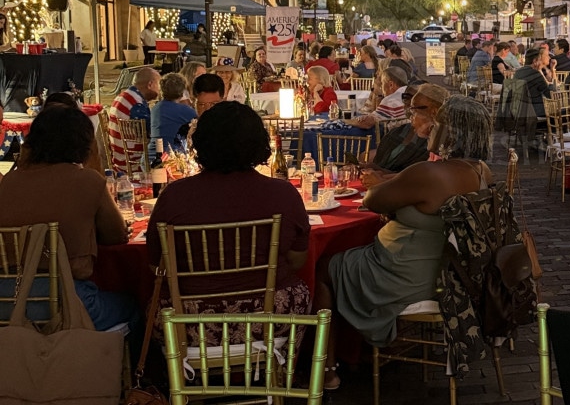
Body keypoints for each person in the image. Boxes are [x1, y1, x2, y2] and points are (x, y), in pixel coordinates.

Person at [315, 96, 493, 389]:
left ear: (449, 132)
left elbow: (373, 200)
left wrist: (384, 181)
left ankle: (327, 368)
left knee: (325, 267)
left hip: (404, 276)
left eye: (438, 124)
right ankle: (367, 349)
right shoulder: (482, 171)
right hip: (452, 277)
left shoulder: (429, 173)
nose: (431, 129)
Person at [146, 102, 311, 333]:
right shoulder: (282, 193)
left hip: (189, 325)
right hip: (270, 320)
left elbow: (156, 264)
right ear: (258, 143)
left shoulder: (173, 196)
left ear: (200, 144)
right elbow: (297, 260)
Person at [0, 105, 139, 334]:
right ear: (82, 142)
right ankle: (127, 370)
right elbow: (117, 236)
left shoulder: (9, 183)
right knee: (134, 305)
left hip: (7, 302)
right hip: (68, 304)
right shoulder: (87, 181)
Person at [368, 84, 450, 176]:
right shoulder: (397, 132)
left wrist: (381, 176)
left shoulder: (438, 144)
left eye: (414, 109)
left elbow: (414, 178)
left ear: (434, 112)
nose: (410, 113)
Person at [110, 66, 160, 172]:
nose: (159, 90)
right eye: (158, 84)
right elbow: (153, 132)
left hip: (119, 161)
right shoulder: (136, 104)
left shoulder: (123, 96)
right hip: (135, 163)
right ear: (150, 85)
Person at [150, 72, 197, 156]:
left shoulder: (155, 108)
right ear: (182, 92)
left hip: (150, 154)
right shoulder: (184, 110)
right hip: (170, 157)